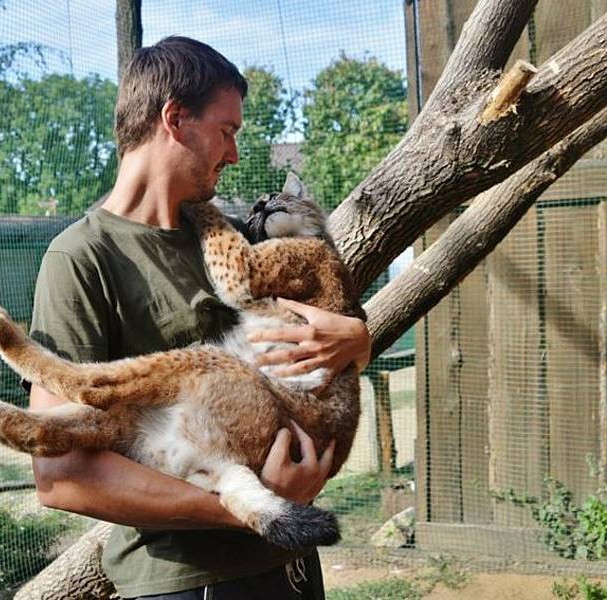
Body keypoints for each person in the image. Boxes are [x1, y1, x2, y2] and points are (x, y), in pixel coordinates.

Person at [28, 36, 371, 600]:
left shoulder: (231, 238)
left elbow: (319, 341)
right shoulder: (82, 258)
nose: (234, 154)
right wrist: (246, 506)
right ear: (175, 118)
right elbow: (64, 476)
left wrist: (357, 339)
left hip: (292, 560)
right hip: (190, 581)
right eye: (227, 131)